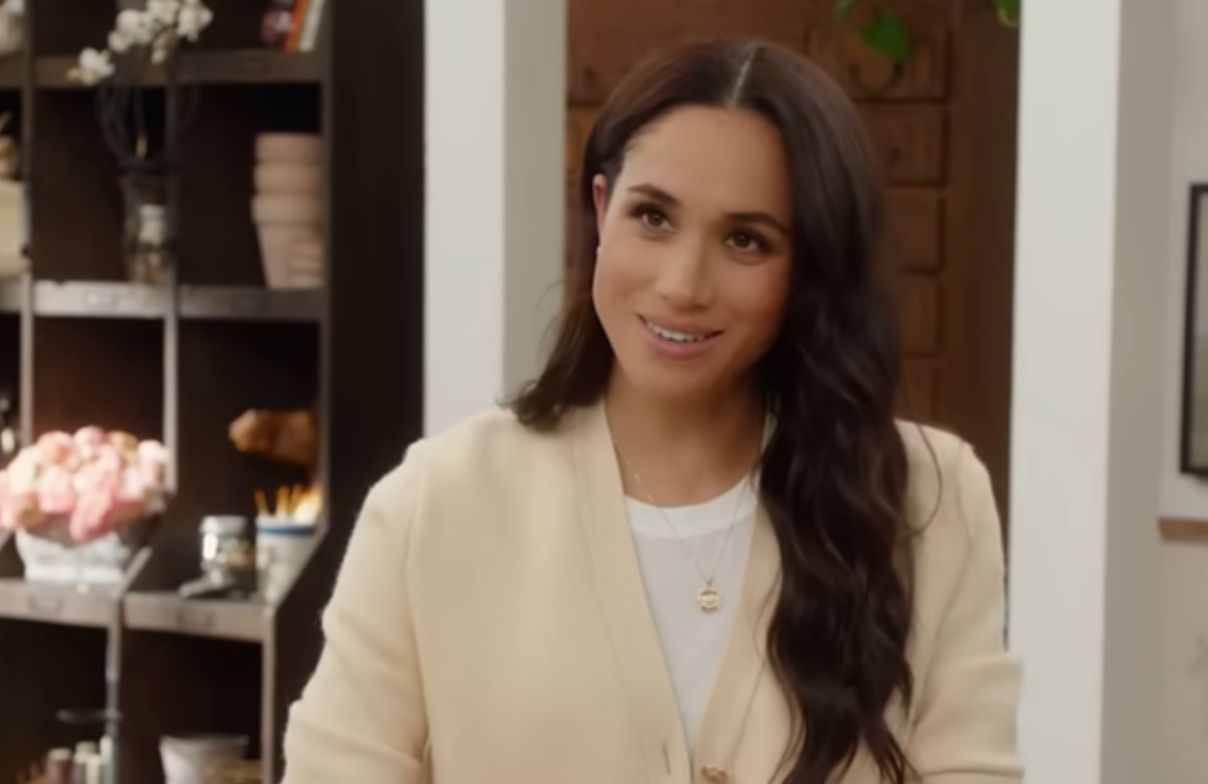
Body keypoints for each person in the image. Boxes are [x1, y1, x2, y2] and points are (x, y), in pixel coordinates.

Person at [282, 37, 1022, 784]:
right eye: (653, 217)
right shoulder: (433, 504)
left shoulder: (929, 500)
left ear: (810, 271)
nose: (682, 284)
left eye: (746, 240)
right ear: (602, 211)